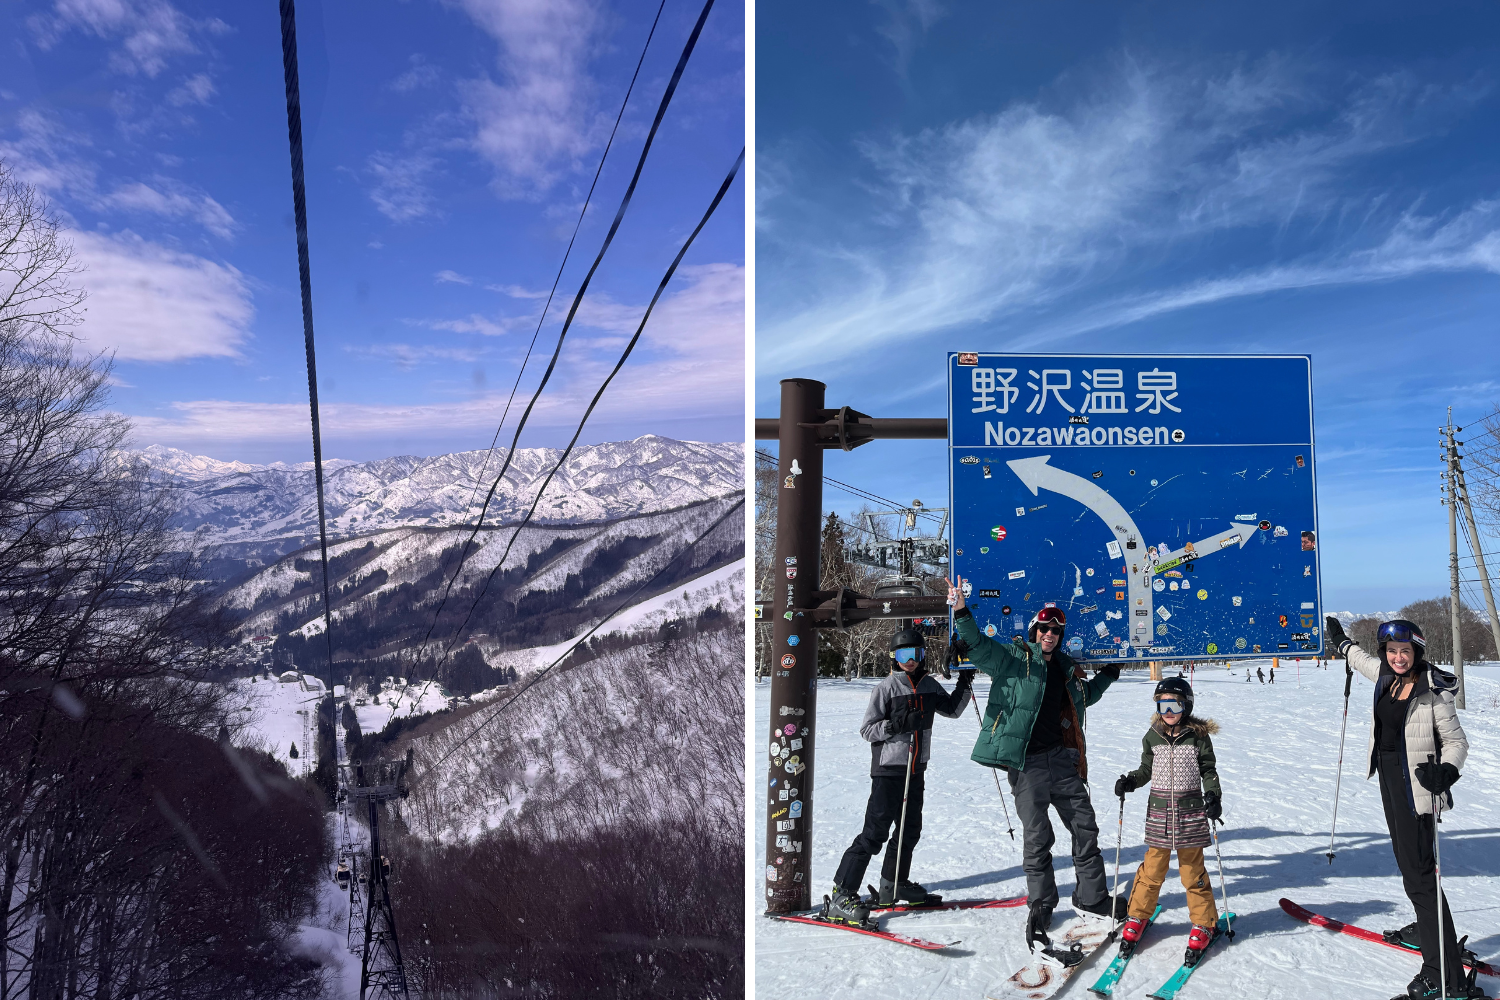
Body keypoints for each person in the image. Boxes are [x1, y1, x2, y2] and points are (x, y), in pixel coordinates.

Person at [948, 576, 1125, 948]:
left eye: (1056, 631)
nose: (1050, 635)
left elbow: (1084, 698)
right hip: (1025, 764)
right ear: (1034, 631)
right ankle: (1041, 903)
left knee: (1085, 827)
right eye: (1044, 629)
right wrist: (961, 609)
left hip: (1061, 759)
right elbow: (978, 647)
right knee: (1037, 836)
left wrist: (1107, 676)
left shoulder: (1065, 668)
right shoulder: (1014, 659)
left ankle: (1092, 898)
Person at [1324, 617, 1487, 1000]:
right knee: (1409, 867)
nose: (1398, 658)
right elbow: (1362, 660)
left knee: (1420, 875)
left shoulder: (1432, 690)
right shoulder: (1385, 674)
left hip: (1419, 790)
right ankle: (1429, 929)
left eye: (1405, 651)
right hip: (1389, 782)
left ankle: (1443, 974)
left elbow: (1456, 742)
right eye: (1393, 651)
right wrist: (1342, 643)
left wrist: (1447, 770)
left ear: (1417, 653)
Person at [824, 628, 973, 925]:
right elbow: (868, 730)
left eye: (915, 654)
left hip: (916, 769)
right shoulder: (885, 689)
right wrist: (896, 725)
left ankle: (893, 883)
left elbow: (953, 710)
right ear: (894, 657)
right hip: (889, 771)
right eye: (904, 655)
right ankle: (841, 893)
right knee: (874, 834)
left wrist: (965, 682)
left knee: (908, 830)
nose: (911, 661)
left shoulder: (929, 685)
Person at [1113, 677, 1223, 966]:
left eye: (1174, 703)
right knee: (1152, 871)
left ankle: (1204, 923)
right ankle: (1137, 917)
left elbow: (1208, 770)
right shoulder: (1152, 736)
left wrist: (1212, 795)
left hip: (1189, 814)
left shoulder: (1198, 737)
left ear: (1186, 705)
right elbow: (1146, 769)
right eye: (1162, 704)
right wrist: (1130, 781)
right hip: (1159, 815)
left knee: (1192, 873)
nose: (1168, 710)